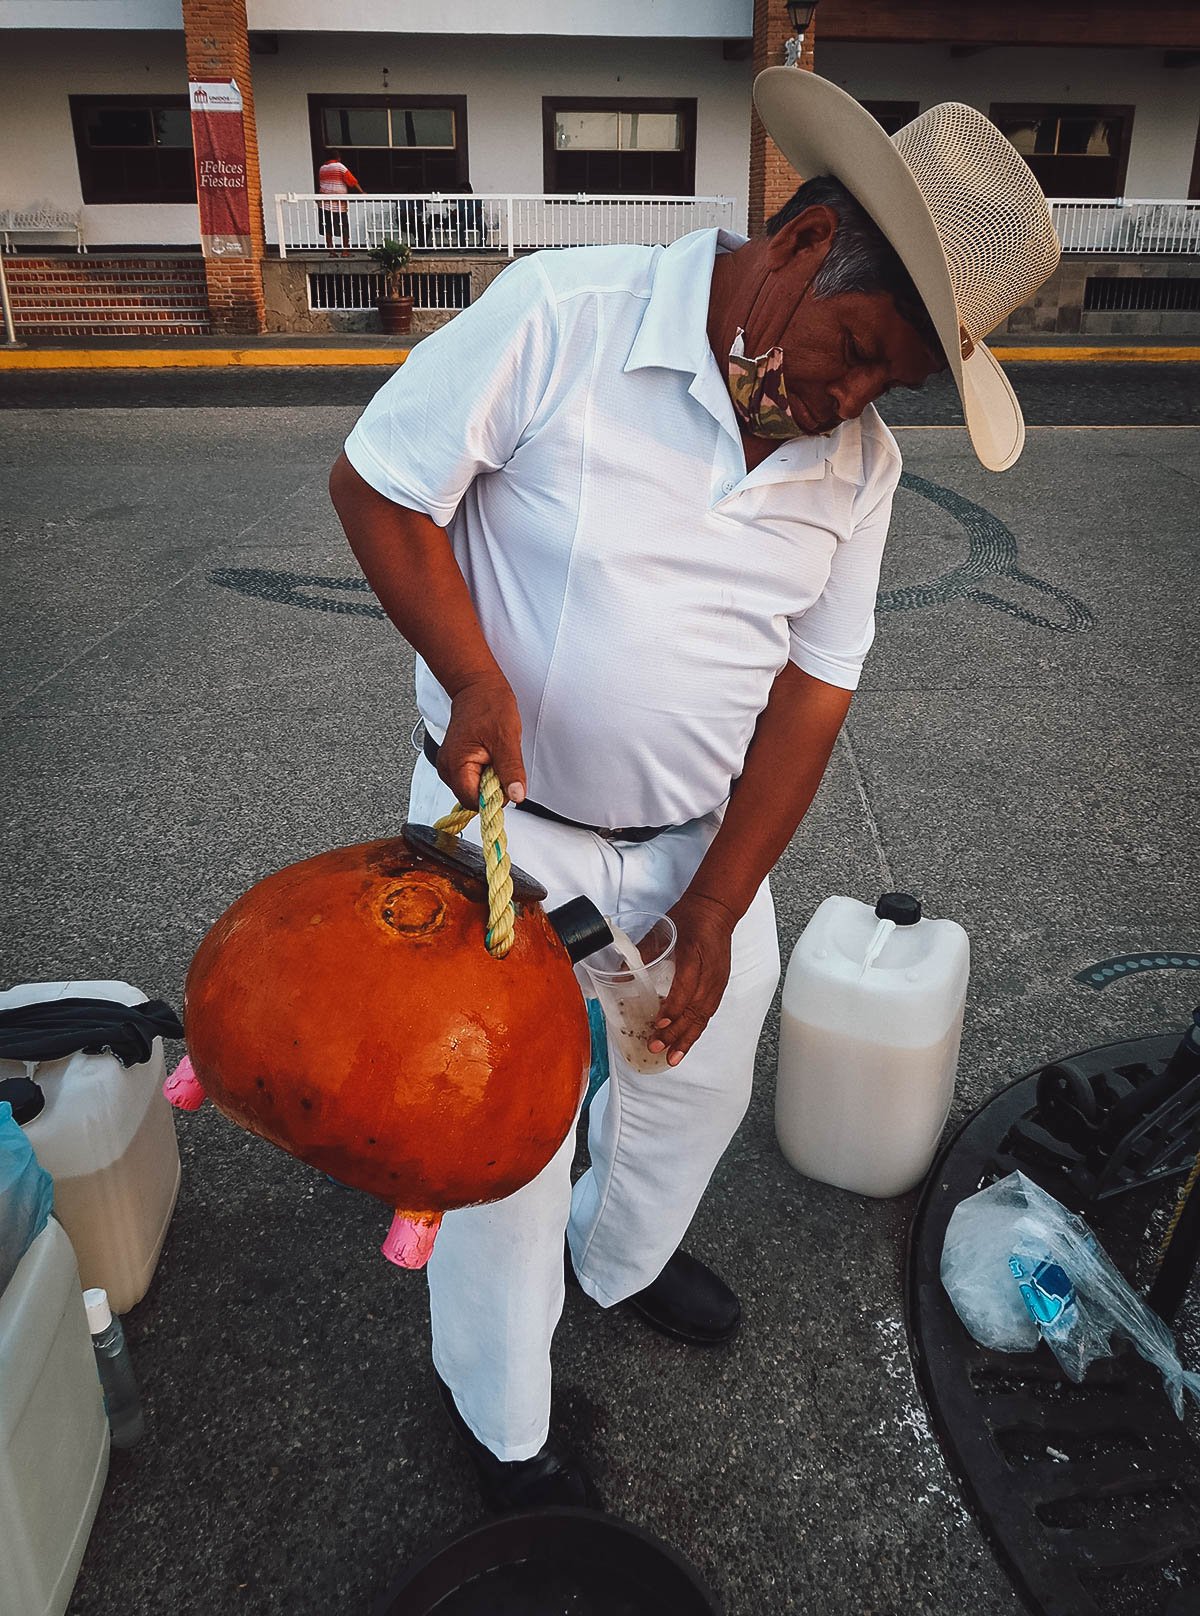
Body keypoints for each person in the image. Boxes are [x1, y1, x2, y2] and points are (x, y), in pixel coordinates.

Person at [329, 72, 1060, 1513]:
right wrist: (473, 674)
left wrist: (722, 899)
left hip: (690, 850)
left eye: (885, 382)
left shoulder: (861, 466)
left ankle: (616, 1268)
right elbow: (380, 486)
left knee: (691, 1094)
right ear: (797, 247)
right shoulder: (564, 320)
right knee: (505, 1152)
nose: (844, 402)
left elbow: (813, 690)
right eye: (850, 348)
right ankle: (507, 1426)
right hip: (505, 840)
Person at [317, 148, 363, 253]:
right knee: (344, 227)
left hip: (324, 202)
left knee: (327, 227)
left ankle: (331, 251)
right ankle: (345, 251)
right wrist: (361, 192)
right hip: (338, 204)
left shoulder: (322, 168)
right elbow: (352, 181)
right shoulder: (339, 167)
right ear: (338, 157)